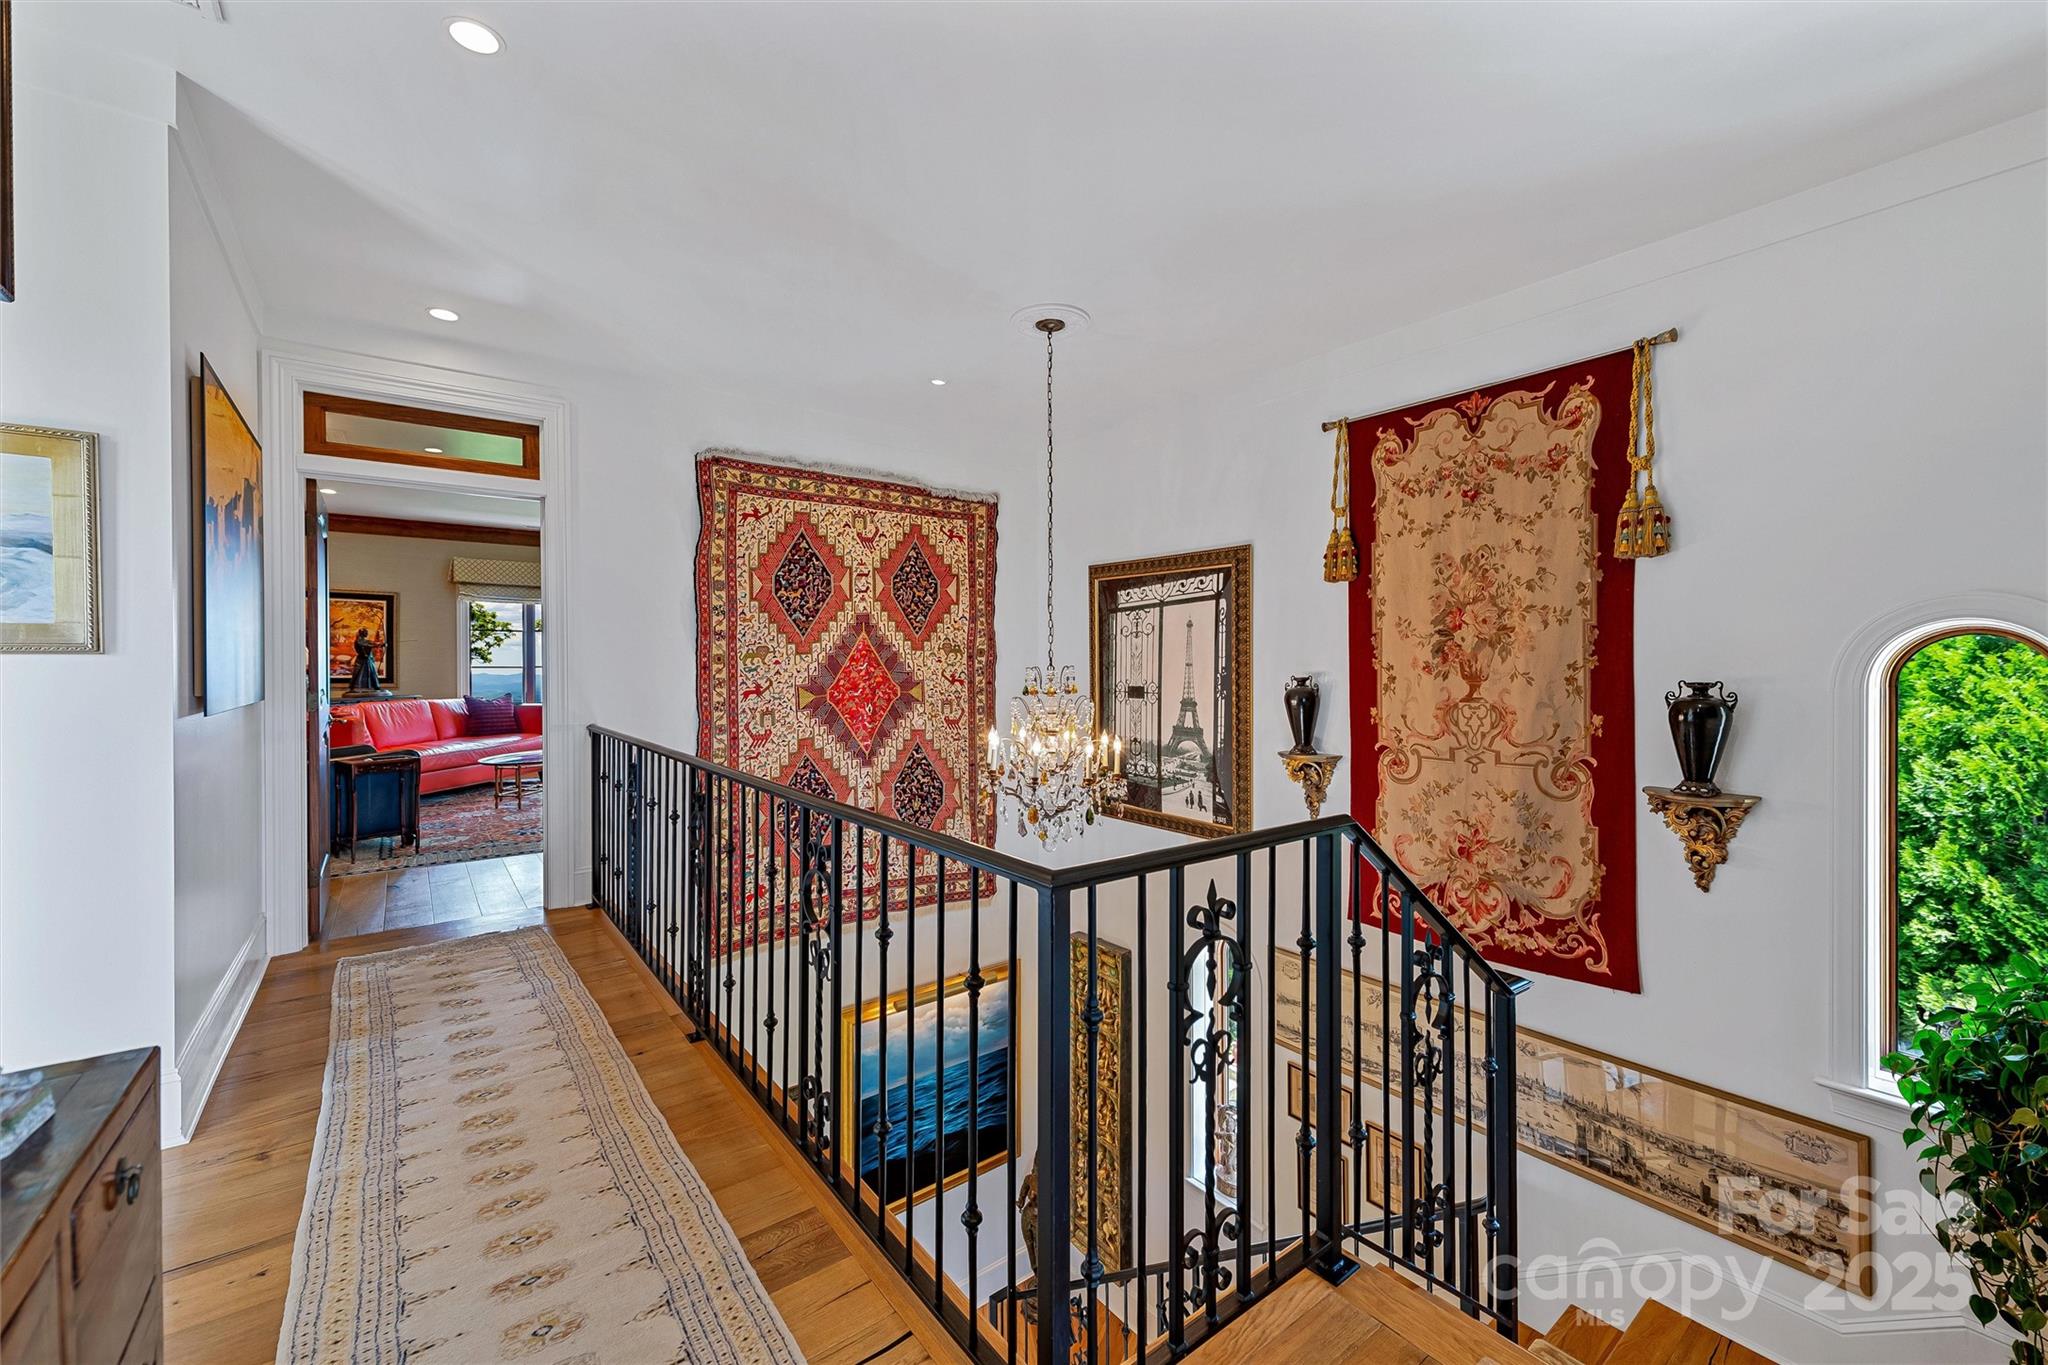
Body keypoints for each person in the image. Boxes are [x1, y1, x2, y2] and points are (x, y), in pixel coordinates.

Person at [348, 628, 381, 693]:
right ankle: (357, 686)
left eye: (367, 632)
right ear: (362, 633)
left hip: (368, 660)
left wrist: (381, 644)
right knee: (359, 673)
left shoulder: (365, 641)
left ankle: (374, 686)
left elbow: (371, 643)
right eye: (366, 633)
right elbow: (367, 644)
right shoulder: (358, 641)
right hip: (361, 660)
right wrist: (377, 645)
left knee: (372, 672)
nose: (367, 634)